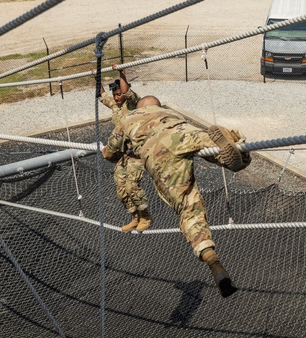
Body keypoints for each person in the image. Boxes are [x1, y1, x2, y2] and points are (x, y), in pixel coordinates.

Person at [101, 96, 250, 298]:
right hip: (185, 132)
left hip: (158, 149)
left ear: (141, 106)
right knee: (213, 148)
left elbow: (109, 154)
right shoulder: (172, 114)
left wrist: (117, 149)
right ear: (157, 106)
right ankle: (236, 154)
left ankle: (212, 260)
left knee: (188, 206)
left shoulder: (130, 117)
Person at [99, 69, 152, 233]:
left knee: (131, 186)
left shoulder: (132, 103)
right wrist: (96, 78)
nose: (117, 97)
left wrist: (122, 72)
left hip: (136, 152)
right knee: (121, 189)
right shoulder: (116, 104)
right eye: (115, 95)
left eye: (118, 94)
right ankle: (135, 217)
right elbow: (101, 97)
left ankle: (146, 216)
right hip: (123, 154)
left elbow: (127, 91)